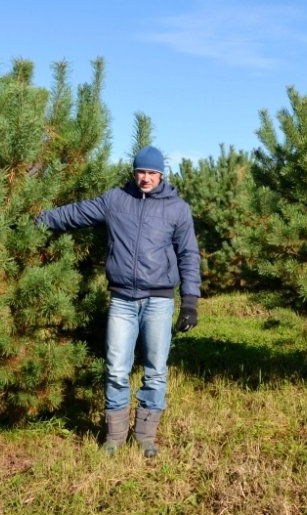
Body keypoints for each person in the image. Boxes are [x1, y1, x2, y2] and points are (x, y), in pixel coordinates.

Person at [37, 145, 201, 457]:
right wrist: (40, 221)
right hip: (123, 300)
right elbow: (76, 213)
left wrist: (190, 300)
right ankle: (114, 437)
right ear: (134, 172)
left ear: (161, 174)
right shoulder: (115, 200)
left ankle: (145, 437)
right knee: (115, 369)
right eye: (141, 172)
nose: (146, 178)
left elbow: (188, 255)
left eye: (152, 173)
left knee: (155, 370)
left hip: (159, 299)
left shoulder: (177, 209)